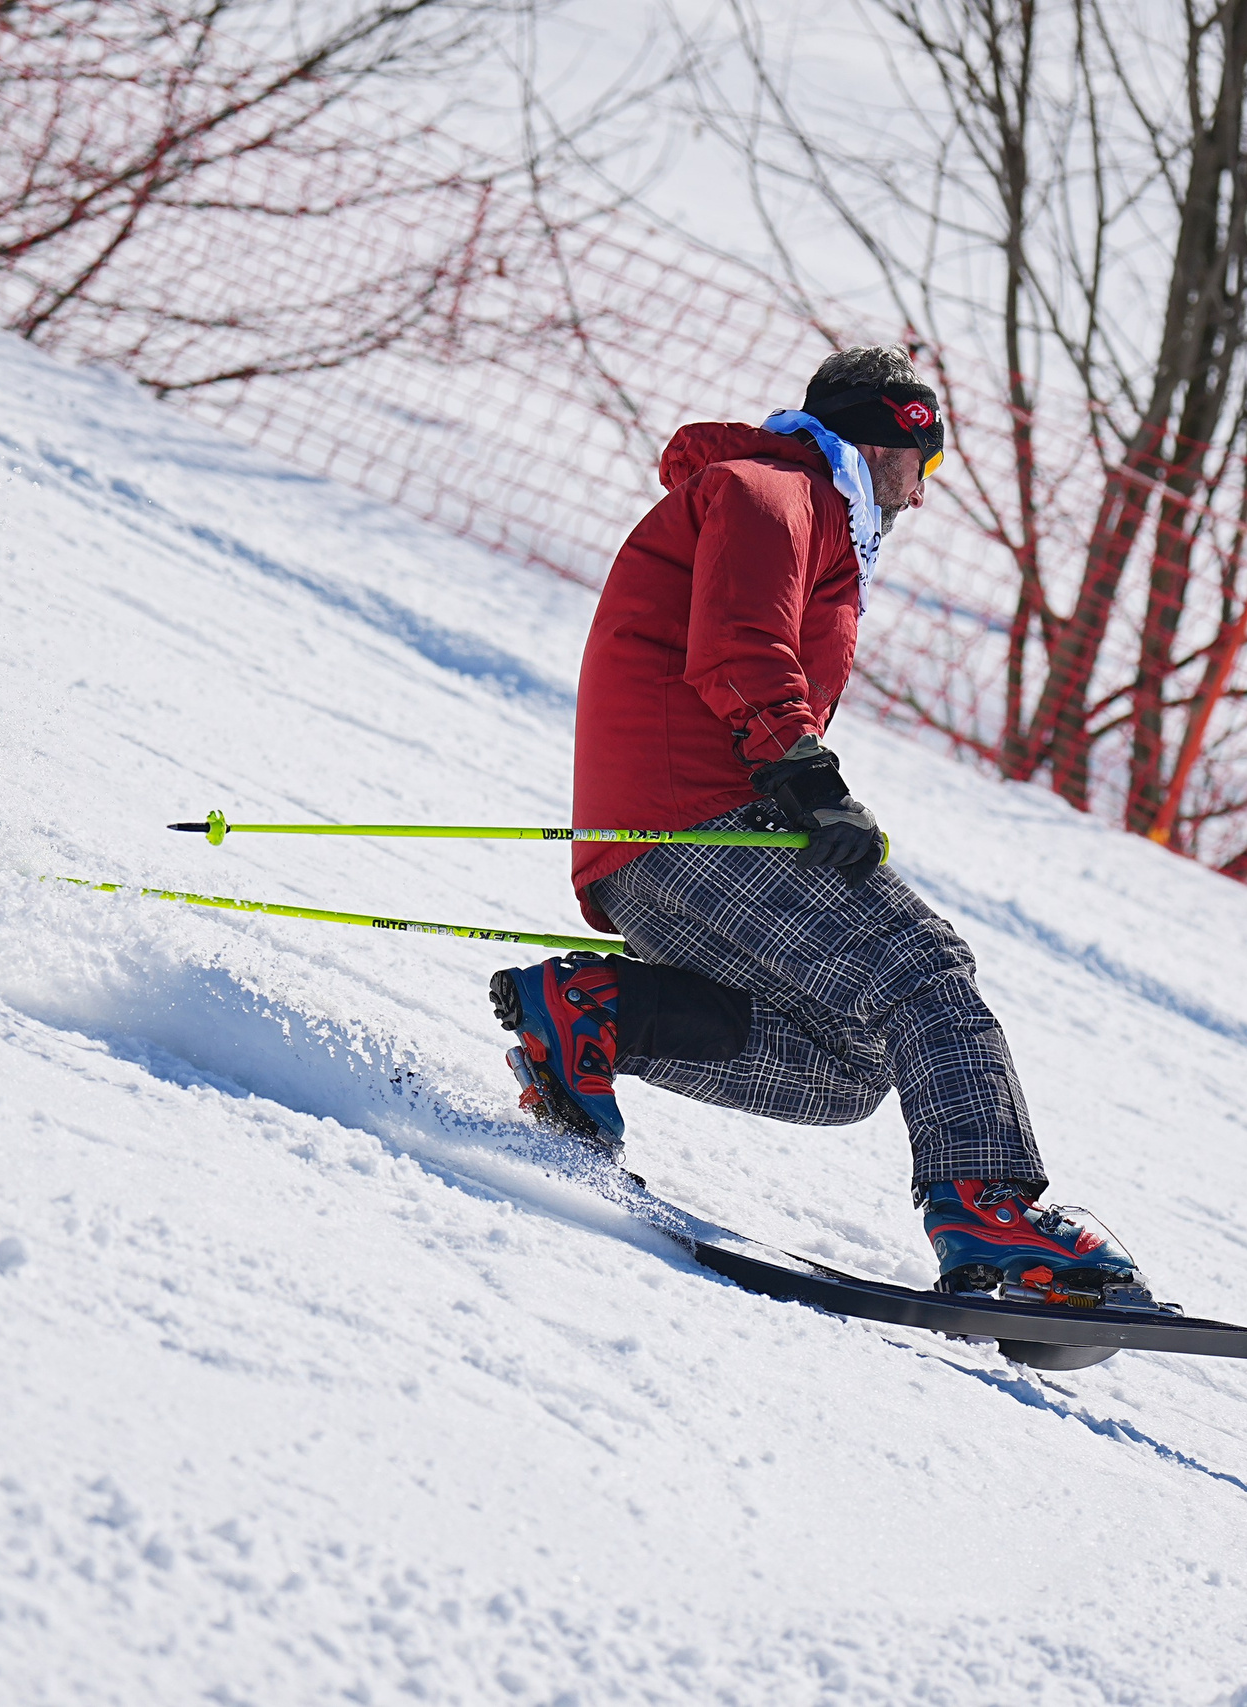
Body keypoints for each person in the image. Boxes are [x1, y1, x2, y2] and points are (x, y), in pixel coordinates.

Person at [488, 346, 1158, 1311]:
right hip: (696, 828)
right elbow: (742, 646)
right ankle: (989, 1204)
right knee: (921, 968)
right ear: (885, 441)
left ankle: (590, 1013)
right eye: (921, 468)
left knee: (845, 1068)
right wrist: (807, 780)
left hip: (670, 843)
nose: (920, 499)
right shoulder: (773, 492)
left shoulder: (807, 513)